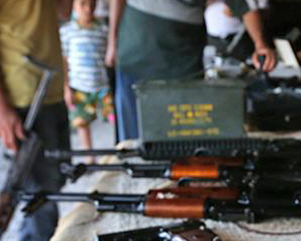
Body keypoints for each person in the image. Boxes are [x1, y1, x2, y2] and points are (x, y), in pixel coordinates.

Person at [106, 0, 278, 141]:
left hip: (182, 68)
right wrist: (112, 41)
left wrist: (260, 44)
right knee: (132, 144)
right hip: (132, 58)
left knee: (179, 142)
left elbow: (245, 7)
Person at [0, 1, 73, 241]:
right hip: (22, 94)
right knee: (43, 188)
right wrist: (2, 110)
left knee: (53, 176)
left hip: (51, 87)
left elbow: (64, 11)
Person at [61, 0, 115, 157]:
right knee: (81, 122)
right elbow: (64, 61)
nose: (88, 9)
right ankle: (90, 155)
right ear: (74, 6)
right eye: (83, 4)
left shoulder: (103, 29)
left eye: (92, 4)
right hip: (79, 86)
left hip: (102, 85)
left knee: (113, 118)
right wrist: (66, 88)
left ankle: (115, 152)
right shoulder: (67, 31)